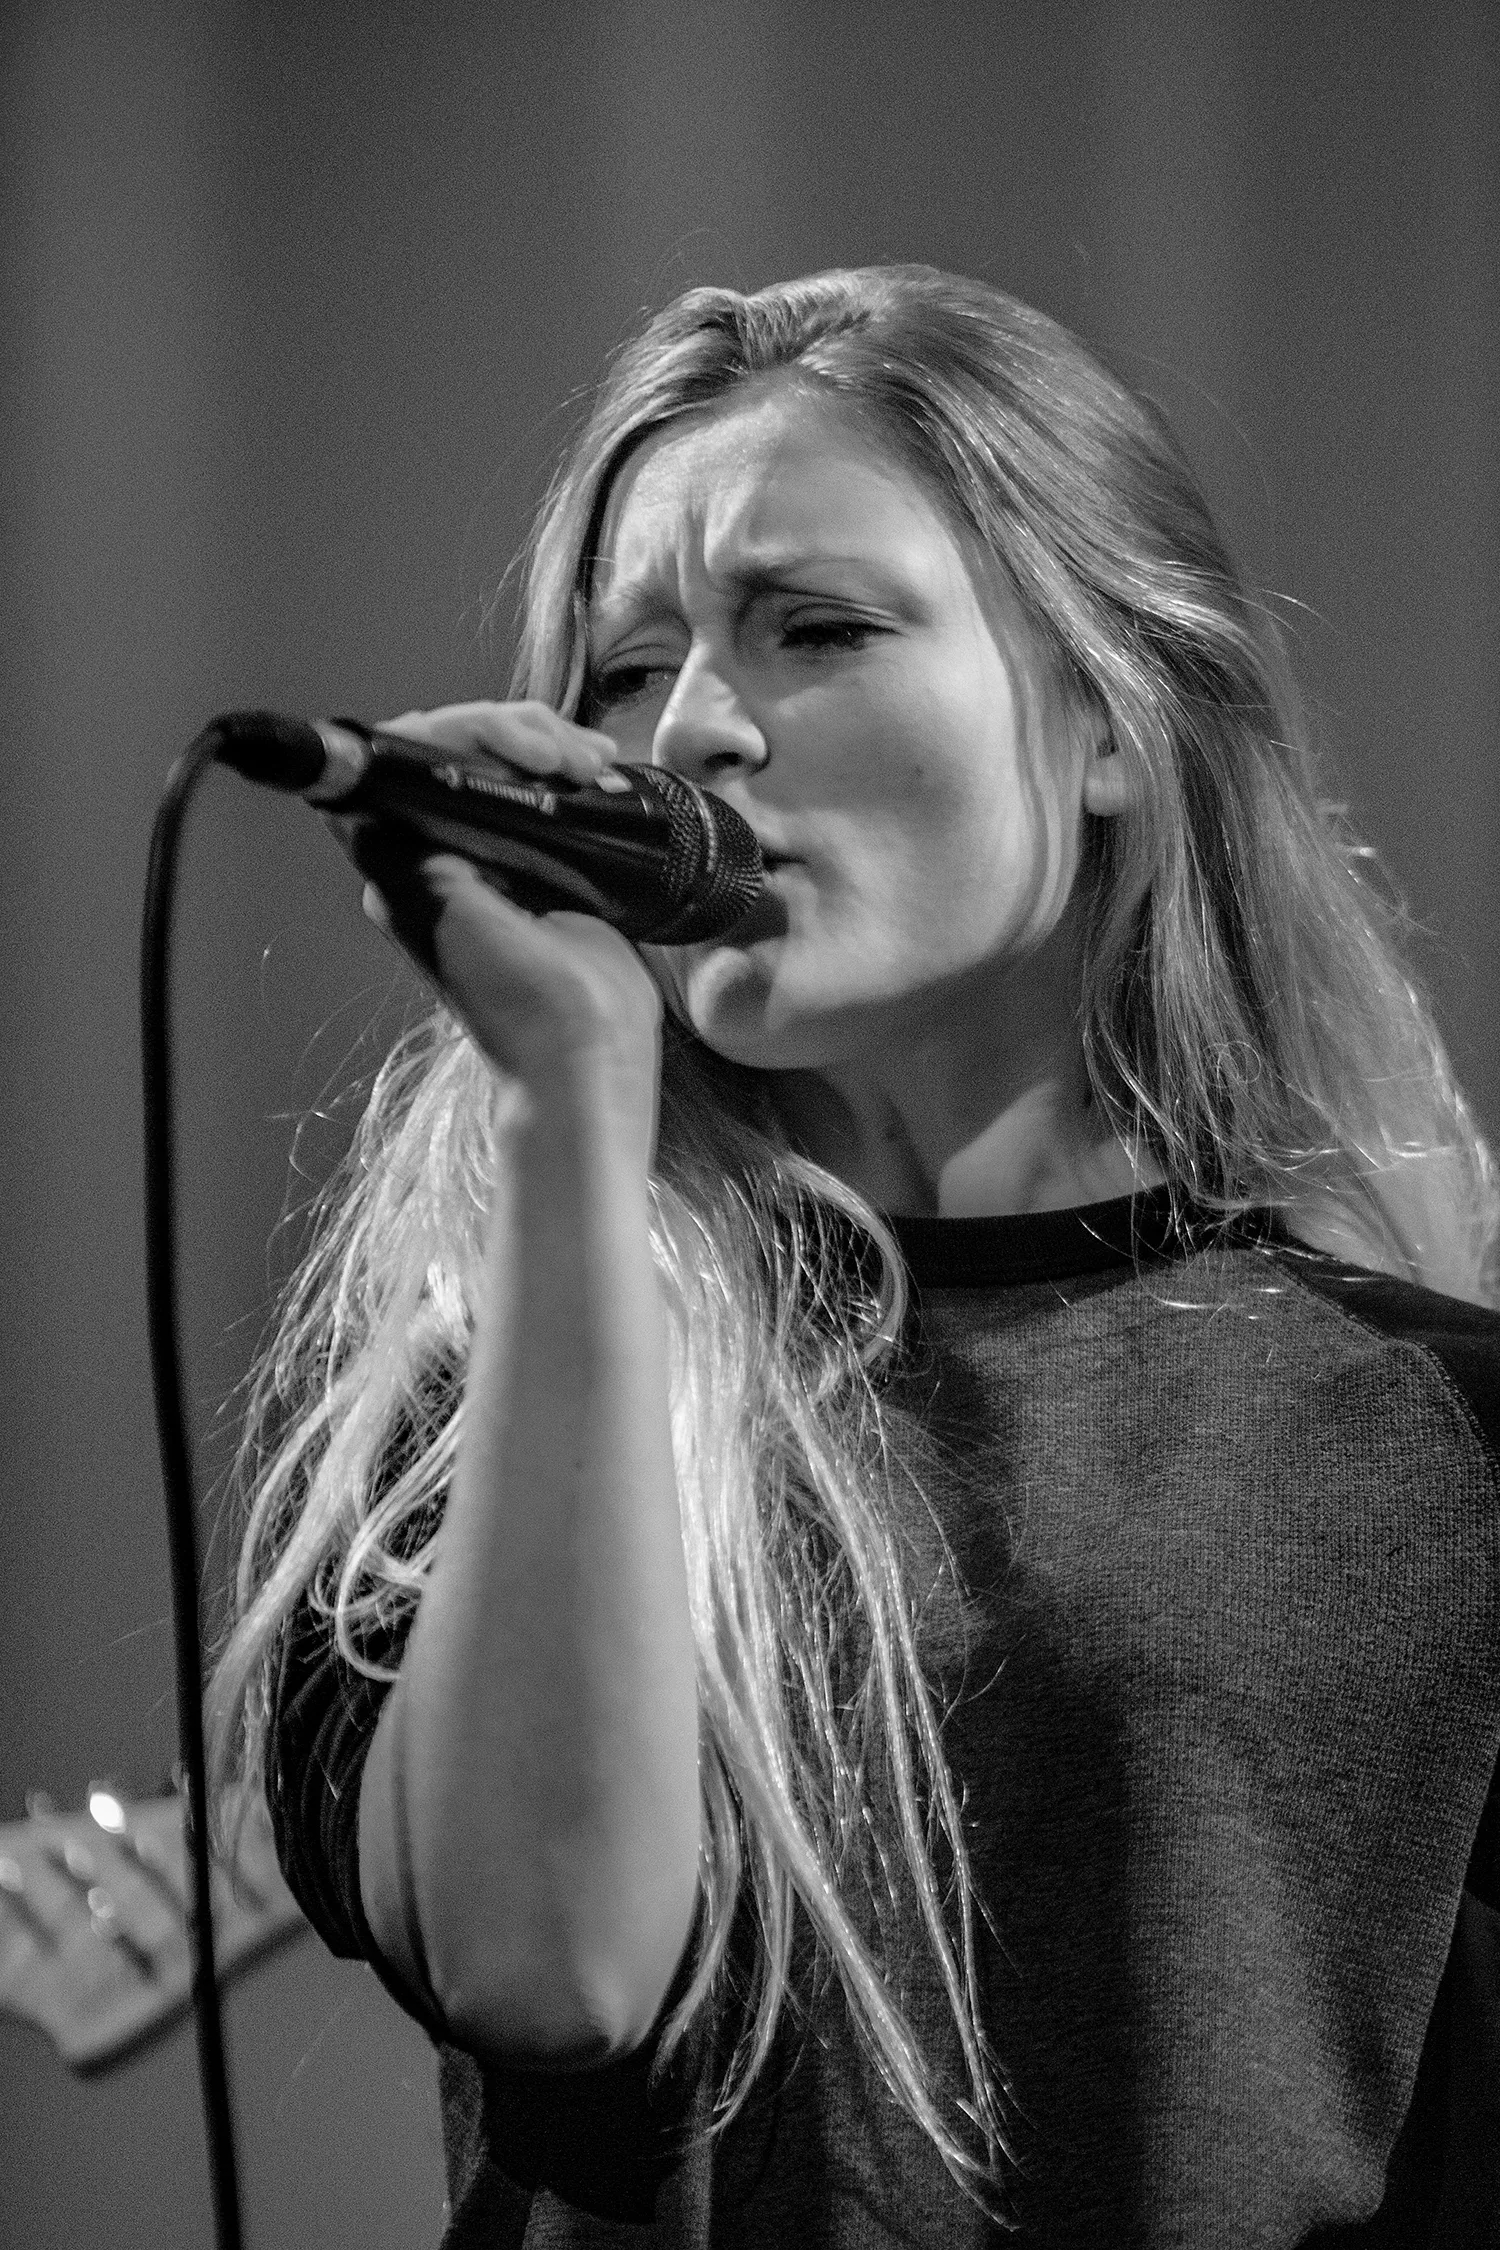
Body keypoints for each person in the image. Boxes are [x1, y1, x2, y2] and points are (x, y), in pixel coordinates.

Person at [208, 265, 1500, 2247]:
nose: (692, 732)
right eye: (627, 671)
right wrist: (575, 1106)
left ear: (1108, 721)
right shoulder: (484, 1400)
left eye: (816, 628)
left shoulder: (1442, 1436)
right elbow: (553, 1979)